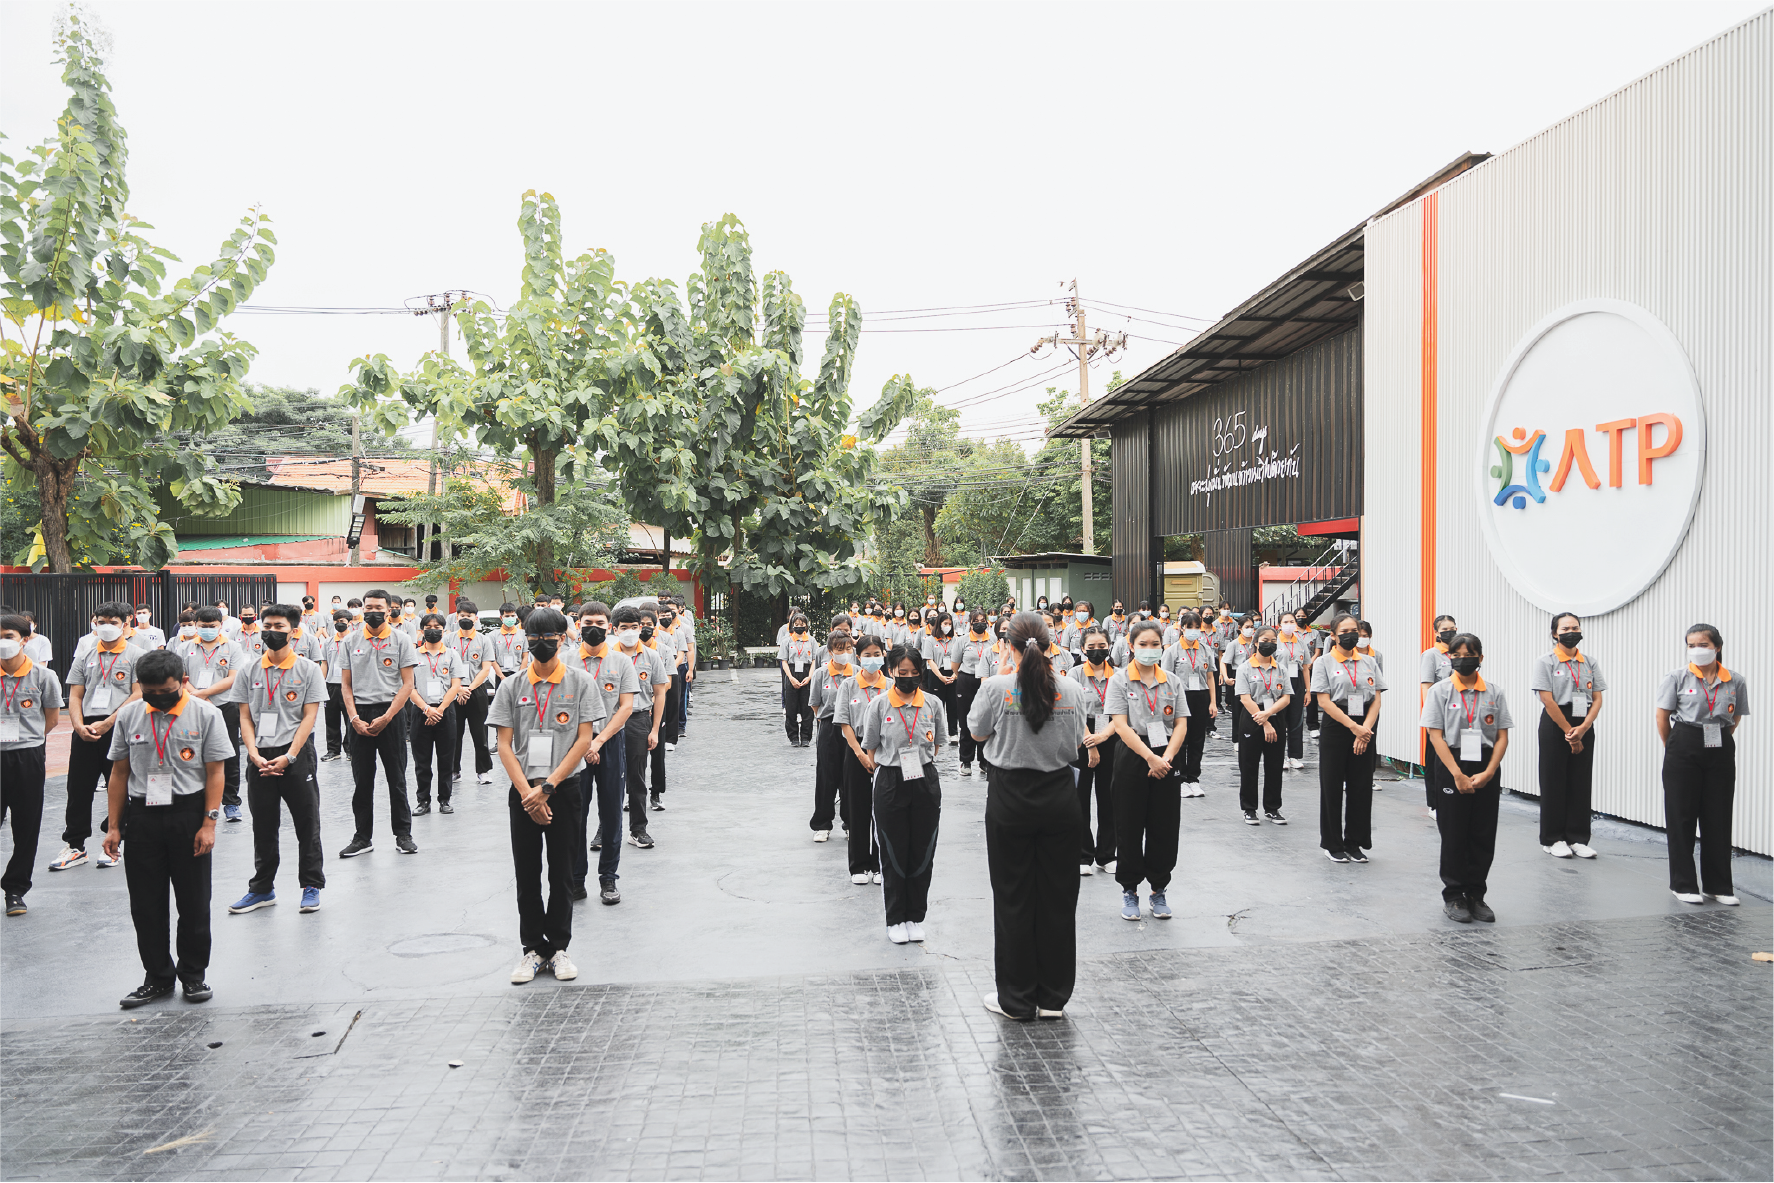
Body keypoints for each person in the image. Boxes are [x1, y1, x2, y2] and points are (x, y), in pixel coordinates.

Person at [969, 611, 1091, 1021]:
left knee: (1013, 896)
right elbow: (1076, 743)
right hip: (1059, 796)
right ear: (1051, 646)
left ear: (1009, 646)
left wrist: (1003, 677)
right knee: (1058, 897)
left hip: (1011, 797)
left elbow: (976, 733)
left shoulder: (996, 687)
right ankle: (1053, 997)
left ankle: (1017, 999)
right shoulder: (1071, 688)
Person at [104, 649, 233, 1008]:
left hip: (188, 814)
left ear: (183, 682)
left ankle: (193, 975)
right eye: (150, 692)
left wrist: (209, 823)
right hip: (142, 817)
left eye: (166, 691)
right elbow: (119, 772)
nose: (158, 697)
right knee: (145, 904)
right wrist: (114, 827)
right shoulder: (129, 715)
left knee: (194, 901)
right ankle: (158, 977)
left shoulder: (206, 714)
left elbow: (215, 772)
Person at [490, 608, 605, 985]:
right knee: (526, 873)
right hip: (523, 792)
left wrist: (548, 788)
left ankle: (557, 948)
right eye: (534, 639)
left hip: (564, 790)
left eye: (549, 638)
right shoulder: (511, 686)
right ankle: (532, 949)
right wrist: (529, 794)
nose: (541, 645)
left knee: (562, 872)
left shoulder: (580, 682)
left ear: (562, 639)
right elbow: (503, 745)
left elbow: (583, 740)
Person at [228, 605, 326, 915]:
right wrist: (253, 753)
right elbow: (244, 716)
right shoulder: (249, 670)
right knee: (263, 825)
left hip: (296, 754)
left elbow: (309, 716)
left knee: (307, 822)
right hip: (260, 756)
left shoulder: (308, 669)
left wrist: (290, 756)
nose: (271, 631)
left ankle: (311, 885)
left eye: (279, 626)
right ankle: (262, 889)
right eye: (267, 625)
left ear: (293, 631)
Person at [859, 644, 948, 945]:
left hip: (924, 780)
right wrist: (887, 768)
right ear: (891, 671)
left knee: (923, 850)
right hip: (890, 781)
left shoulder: (933, 703)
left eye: (914, 672)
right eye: (903, 672)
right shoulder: (879, 705)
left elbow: (937, 744)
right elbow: (871, 748)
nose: (909, 677)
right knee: (893, 850)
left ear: (921, 673)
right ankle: (895, 919)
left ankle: (914, 917)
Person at [1421, 632, 1512, 923]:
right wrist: (1457, 774)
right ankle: (1454, 896)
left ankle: (1476, 894)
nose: (1463, 660)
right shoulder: (1440, 691)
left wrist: (1490, 772)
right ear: (1449, 658)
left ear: (1480, 658)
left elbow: (1501, 736)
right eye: (1457, 655)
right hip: (1452, 763)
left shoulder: (1494, 692)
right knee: (1454, 833)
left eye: (1469, 655)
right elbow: (1435, 736)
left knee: (1483, 833)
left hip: (1485, 764)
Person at [51, 601, 147, 871]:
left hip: (120, 726)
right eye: (101, 622)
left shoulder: (138, 655)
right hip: (86, 728)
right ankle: (75, 845)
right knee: (78, 788)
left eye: (112, 622)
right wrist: (78, 725)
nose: (106, 627)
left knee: (120, 785)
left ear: (125, 624)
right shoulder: (85, 655)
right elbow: (75, 695)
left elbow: (138, 693)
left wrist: (108, 723)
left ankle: (117, 840)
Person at [1656, 625, 1747, 906]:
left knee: (1718, 815)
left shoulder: (1735, 680)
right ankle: (1682, 884)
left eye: (1703, 644)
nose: (1697, 650)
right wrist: (1675, 746)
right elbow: (1662, 717)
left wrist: (1719, 736)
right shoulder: (1676, 677)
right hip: (1684, 743)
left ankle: (1718, 886)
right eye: (1691, 645)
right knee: (1681, 815)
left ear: (1717, 647)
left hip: (1719, 744)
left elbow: (1735, 718)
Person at [1104, 620, 1186, 920]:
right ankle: (1129, 890)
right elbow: (1120, 725)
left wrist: (1166, 758)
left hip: (1167, 755)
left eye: (1155, 644)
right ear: (1131, 646)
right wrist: (1150, 757)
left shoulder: (1172, 681)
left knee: (1164, 825)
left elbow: (1181, 723)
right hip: (1133, 755)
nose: (1149, 649)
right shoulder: (1120, 680)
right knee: (1128, 824)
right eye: (1143, 644)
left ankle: (1158, 889)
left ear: (1162, 646)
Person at [338, 589, 421, 858]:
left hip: (391, 714)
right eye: (369, 607)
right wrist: (354, 719)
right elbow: (346, 685)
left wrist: (388, 717)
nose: (373, 612)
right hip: (359, 715)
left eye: (378, 608)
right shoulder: (350, 641)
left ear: (388, 610)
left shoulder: (401, 640)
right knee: (362, 781)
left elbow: (408, 684)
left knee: (397, 779)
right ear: (362, 609)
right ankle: (362, 837)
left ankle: (403, 835)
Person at [564, 602, 636, 904]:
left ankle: (608, 879)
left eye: (599, 623)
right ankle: (576, 880)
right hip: (573, 747)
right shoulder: (565, 661)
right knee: (575, 815)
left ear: (609, 628)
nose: (593, 628)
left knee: (611, 813)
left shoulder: (621, 662)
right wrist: (584, 743)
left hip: (610, 744)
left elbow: (626, 707)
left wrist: (598, 741)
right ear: (578, 625)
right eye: (588, 623)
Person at [0, 614, 62, 916]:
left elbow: (51, 719)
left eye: (8, 636)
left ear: (25, 640)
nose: (2, 642)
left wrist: (29, 739)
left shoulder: (43, 676)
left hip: (27, 756)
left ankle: (15, 889)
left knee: (26, 825)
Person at [1531, 612, 1605, 860]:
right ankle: (1552, 839)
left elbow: (1597, 698)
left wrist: (1583, 728)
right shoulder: (1546, 662)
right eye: (1565, 629)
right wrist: (1568, 731)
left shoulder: (1589, 662)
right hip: (1556, 723)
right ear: (1555, 633)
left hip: (1583, 721)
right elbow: (1546, 699)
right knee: (1553, 780)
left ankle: (1577, 838)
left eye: (1575, 627)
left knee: (1580, 781)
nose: (1571, 632)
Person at [1312, 614, 1386, 864]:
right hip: (1337, 724)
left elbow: (1376, 698)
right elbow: (1324, 701)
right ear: (1333, 635)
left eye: (1354, 630)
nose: (1351, 635)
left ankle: (1354, 842)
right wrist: (1354, 728)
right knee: (1332, 785)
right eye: (1344, 631)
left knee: (1361, 785)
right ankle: (1332, 844)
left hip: (1365, 724)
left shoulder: (1369, 661)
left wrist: (1365, 729)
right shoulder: (1323, 662)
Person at [611, 605, 669, 847]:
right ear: (615, 630)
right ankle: (605, 830)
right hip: (610, 721)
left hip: (638, 719)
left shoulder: (651, 656)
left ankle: (638, 830)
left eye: (634, 627)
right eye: (624, 627)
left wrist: (654, 730)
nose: (629, 632)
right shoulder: (606, 655)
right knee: (609, 778)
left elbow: (660, 693)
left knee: (636, 777)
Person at [834, 634, 888, 883]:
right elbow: (844, 723)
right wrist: (861, 754)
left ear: (883, 656)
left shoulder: (890, 685)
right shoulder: (848, 686)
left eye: (877, 654)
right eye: (867, 655)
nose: (872, 659)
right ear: (859, 657)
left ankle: (879, 865)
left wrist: (875, 756)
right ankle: (858, 866)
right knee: (857, 810)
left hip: (884, 752)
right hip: (856, 752)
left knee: (882, 810)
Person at [410, 613, 467, 815]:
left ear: (444, 631)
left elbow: (455, 685)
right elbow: (409, 687)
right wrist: (427, 709)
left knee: (446, 759)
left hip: (445, 712)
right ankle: (423, 801)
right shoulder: (413, 655)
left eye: (437, 627)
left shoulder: (452, 655)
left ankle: (445, 799)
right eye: (428, 627)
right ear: (422, 630)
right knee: (422, 761)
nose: (432, 630)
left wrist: (440, 709)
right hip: (420, 712)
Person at [1071, 627, 1117, 876]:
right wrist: (1091, 743)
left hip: (1112, 733)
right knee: (1080, 798)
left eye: (1102, 646)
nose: (1097, 651)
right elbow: (1073, 710)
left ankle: (1107, 855)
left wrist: (1103, 737)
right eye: (1091, 647)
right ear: (1082, 649)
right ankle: (1082, 855)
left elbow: (1122, 712)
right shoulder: (1075, 674)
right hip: (1081, 737)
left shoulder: (1119, 675)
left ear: (1109, 646)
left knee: (1109, 798)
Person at [1235, 625, 1291, 826]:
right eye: (1265, 641)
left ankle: (1272, 808)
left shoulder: (1281, 669)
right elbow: (1245, 698)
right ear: (1256, 642)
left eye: (1273, 641)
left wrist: (1269, 714)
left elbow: (1286, 697)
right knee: (1249, 764)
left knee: (1275, 764)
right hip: (1252, 717)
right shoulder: (1245, 668)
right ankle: (1249, 809)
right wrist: (1265, 721)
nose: (1269, 644)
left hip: (1274, 715)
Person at [808, 631, 856, 845]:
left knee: (850, 776)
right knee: (826, 776)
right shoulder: (821, 674)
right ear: (830, 651)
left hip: (851, 728)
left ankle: (850, 823)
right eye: (839, 649)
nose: (844, 653)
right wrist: (827, 721)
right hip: (828, 727)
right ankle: (822, 825)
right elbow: (815, 704)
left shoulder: (857, 672)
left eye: (848, 649)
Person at [1161, 611, 1217, 796]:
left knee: (1197, 740)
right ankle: (1181, 778)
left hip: (1201, 697)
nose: (1193, 630)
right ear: (1182, 628)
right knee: (1181, 740)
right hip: (1180, 698)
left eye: (1197, 627)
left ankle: (1194, 778)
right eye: (1189, 627)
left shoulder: (1205, 650)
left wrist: (1213, 702)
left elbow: (1210, 677)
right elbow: (1165, 679)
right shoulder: (1172, 651)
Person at [637, 603, 679, 798]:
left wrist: (652, 700)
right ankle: (633, 793)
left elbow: (667, 682)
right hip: (634, 709)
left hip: (656, 707)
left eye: (649, 624)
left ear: (655, 627)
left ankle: (656, 793)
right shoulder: (628, 651)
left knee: (657, 752)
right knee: (635, 755)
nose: (645, 628)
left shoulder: (663, 650)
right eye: (641, 624)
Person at [1419, 613, 1458, 806]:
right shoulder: (1431, 655)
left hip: (1458, 714)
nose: (1449, 633)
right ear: (1436, 633)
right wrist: (1430, 716)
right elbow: (1426, 687)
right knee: (1435, 759)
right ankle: (1434, 804)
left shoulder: (1460, 652)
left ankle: (1453, 798)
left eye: (1452, 629)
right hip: (1440, 714)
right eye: (1445, 630)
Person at [955, 610, 996, 778]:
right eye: (976, 621)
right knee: (966, 721)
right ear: (970, 623)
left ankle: (984, 760)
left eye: (982, 620)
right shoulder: (962, 640)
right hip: (967, 680)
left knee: (985, 719)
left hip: (986, 681)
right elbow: (955, 665)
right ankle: (966, 760)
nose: (980, 623)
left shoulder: (993, 639)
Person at [1275, 612, 1311, 772]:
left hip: (1297, 682)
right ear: (1279, 625)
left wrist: (1308, 690)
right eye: (1286, 622)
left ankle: (1294, 756)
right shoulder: (1275, 641)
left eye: (1292, 621)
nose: (1289, 624)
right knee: (1280, 720)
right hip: (1280, 682)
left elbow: (1306, 667)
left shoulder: (1300, 642)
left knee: (1296, 720)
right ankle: (1280, 756)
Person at [320, 611, 354, 762]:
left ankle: (351, 749)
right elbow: (324, 663)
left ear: (349, 623)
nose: (339, 624)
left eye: (342, 621)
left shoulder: (355, 640)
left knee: (350, 719)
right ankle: (333, 750)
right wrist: (322, 684)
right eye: (337, 621)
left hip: (350, 685)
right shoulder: (328, 642)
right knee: (331, 719)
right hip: (332, 686)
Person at [780, 614, 817, 747]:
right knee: (791, 707)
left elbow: (814, 660)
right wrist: (791, 678)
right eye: (796, 624)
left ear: (806, 625)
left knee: (807, 708)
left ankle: (806, 737)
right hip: (792, 672)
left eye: (802, 624)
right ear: (792, 625)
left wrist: (810, 676)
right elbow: (784, 661)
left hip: (807, 672)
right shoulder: (787, 641)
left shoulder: (812, 641)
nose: (799, 627)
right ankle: (793, 737)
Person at [491, 603, 528, 679]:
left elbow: (525, 656)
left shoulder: (523, 634)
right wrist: (501, 676)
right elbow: (492, 659)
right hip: (501, 673)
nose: (510, 618)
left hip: (518, 673)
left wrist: (519, 674)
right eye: (507, 616)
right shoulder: (493, 635)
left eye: (512, 616)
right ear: (501, 618)